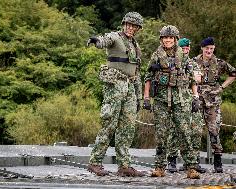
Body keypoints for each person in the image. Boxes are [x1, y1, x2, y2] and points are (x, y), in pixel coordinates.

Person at [86, 12, 145, 177]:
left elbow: (136, 72)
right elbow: (104, 40)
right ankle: (95, 162)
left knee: (127, 128)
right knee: (109, 123)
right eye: (128, 25)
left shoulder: (135, 46)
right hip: (115, 86)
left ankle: (124, 165)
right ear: (123, 24)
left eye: (134, 26)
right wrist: (96, 41)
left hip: (130, 87)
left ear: (138, 28)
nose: (131, 28)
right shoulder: (115, 37)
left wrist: (139, 96)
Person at [143, 25, 201, 179]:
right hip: (161, 101)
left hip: (180, 100)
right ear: (161, 39)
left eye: (170, 38)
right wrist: (146, 97)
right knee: (161, 135)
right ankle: (159, 167)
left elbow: (192, 79)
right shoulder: (156, 56)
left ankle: (191, 168)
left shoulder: (184, 57)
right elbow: (147, 77)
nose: (167, 40)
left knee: (184, 133)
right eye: (165, 38)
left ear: (175, 39)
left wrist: (195, 98)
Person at [193, 37, 236, 173]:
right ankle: (193, 162)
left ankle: (218, 161)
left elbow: (233, 73)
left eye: (211, 48)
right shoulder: (193, 62)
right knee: (195, 130)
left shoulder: (219, 63)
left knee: (214, 131)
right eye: (207, 48)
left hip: (213, 102)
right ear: (202, 48)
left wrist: (222, 87)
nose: (209, 51)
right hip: (197, 100)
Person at [167, 38, 206, 174]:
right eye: (183, 48)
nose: (185, 50)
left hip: (191, 99)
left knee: (195, 130)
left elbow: (198, 79)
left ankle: (192, 162)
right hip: (177, 99)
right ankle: (171, 160)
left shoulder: (191, 63)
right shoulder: (172, 60)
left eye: (187, 48)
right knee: (174, 130)